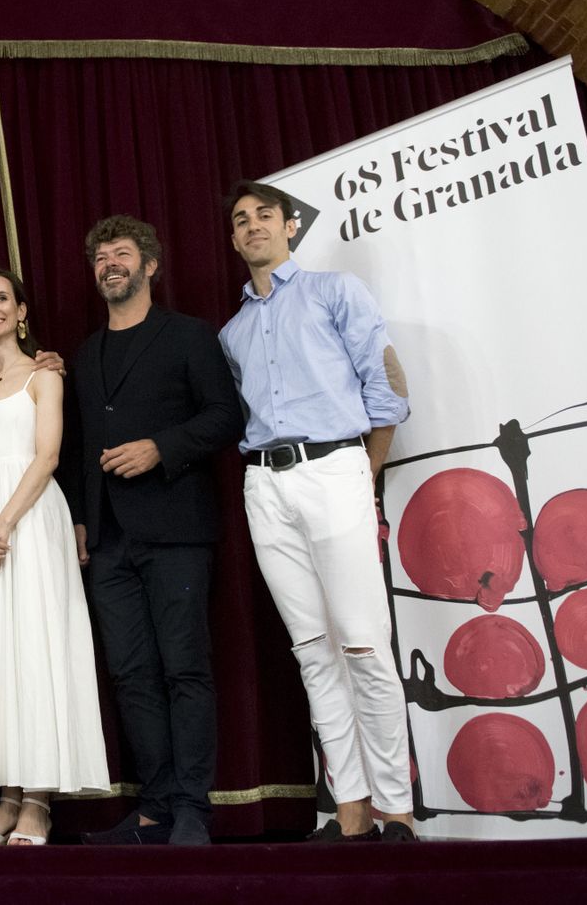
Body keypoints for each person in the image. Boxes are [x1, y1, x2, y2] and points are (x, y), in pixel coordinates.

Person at [218, 180, 415, 842]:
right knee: (312, 650)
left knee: (363, 642)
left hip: (335, 468)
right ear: (234, 238)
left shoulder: (336, 292)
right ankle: (350, 808)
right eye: (240, 220)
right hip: (264, 484)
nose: (252, 226)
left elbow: (386, 384)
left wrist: (363, 471)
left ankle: (396, 809)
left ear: (290, 226)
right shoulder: (232, 332)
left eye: (264, 215)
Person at [65, 215, 242, 847]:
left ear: (150, 265)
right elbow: (78, 447)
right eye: (100, 256)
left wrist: (161, 448)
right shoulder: (84, 353)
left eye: (121, 252)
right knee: (131, 674)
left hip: (176, 531)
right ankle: (154, 810)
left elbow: (226, 416)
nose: (109, 263)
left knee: (184, 669)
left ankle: (192, 809)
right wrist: (80, 518)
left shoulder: (189, 335)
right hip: (108, 539)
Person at [0, 268, 109, 846]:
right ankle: (7, 798)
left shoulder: (44, 375)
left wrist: (4, 524)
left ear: (21, 310)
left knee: (35, 649)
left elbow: (48, 455)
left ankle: (37, 800)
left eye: (2, 299)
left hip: (28, 522)